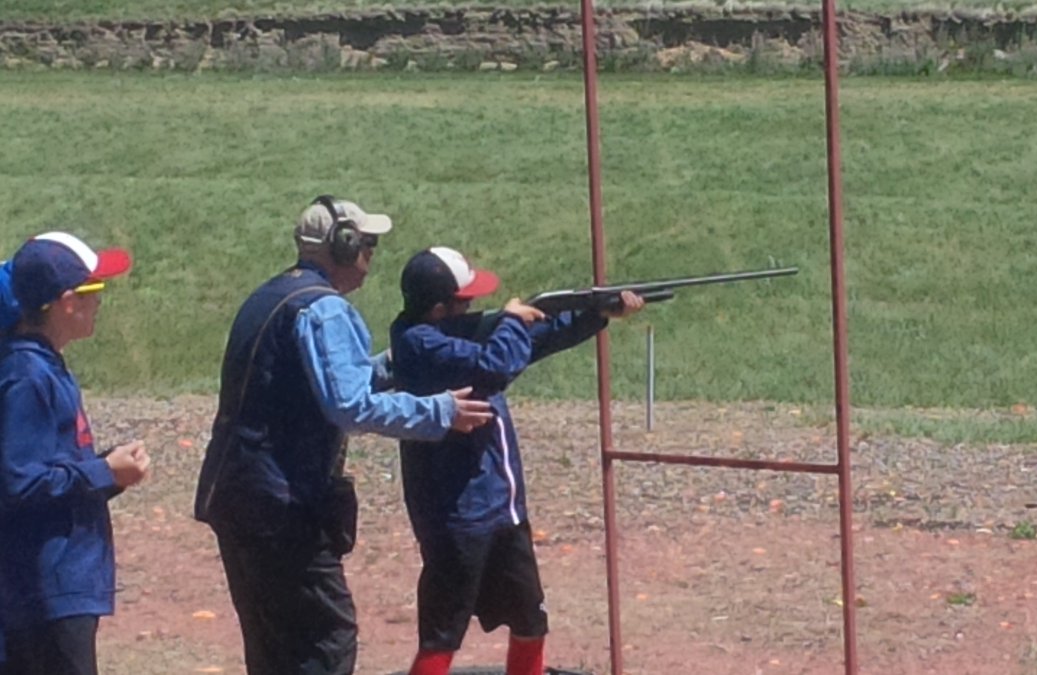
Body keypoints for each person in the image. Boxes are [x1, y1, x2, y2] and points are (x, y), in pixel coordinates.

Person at [193, 197, 493, 675]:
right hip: (282, 506)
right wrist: (439, 411)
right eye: (367, 243)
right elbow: (351, 407)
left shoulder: (273, 294)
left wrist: (396, 364)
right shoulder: (326, 310)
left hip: (241, 496)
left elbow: (324, 383)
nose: (371, 254)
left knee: (274, 646)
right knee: (324, 639)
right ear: (344, 244)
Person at [390, 246, 644, 675]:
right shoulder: (420, 344)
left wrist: (595, 315)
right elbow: (497, 363)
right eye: (463, 301)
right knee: (442, 635)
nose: (473, 306)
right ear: (438, 309)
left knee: (530, 621)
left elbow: (532, 342)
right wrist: (510, 320)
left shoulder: (445, 335)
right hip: (459, 519)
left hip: (502, 511)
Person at [0, 232, 150, 675]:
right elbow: (19, 480)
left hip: (57, 585)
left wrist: (109, 472)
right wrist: (103, 472)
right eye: (94, 290)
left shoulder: (42, 365)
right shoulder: (27, 376)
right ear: (67, 301)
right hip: (45, 589)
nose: (100, 302)